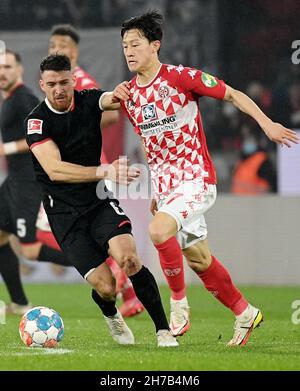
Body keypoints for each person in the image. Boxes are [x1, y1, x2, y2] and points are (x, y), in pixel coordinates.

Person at [111, 11, 299, 345]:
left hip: (196, 179)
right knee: (199, 260)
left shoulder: (180, 78)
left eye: (135, 44)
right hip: (168, 187)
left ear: (155, 46)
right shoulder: (129, 97)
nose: (129, 51)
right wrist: (157, 187)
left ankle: (179, 304)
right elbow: (149, 141)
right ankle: (245, 312)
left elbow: (233, 94)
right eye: (125, 45)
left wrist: (267, 124)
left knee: (157, 231)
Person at [25, 53, 178, 347]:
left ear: (73, 81)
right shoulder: (36, 121)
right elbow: (55, 170)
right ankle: (111, 314)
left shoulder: (88, 100)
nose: (59, 89)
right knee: (107, 286)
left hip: (98, 200)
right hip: (64, 214)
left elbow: (110, 99)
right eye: (52, 83)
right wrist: (104, 170)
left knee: (130, 258)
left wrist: (125, 91)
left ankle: (163, 330)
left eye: (65, 82)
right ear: (42, 84)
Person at [36, 23, 144, 317]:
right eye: (52, 46)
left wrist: (77, 131)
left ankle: (126, 290)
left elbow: (109, 113)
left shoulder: (78, 80)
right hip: (74, 172)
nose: (56, 50)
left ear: (75, 51)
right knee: (49, 237)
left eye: (62, 46)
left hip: (87, 170)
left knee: (59, 235)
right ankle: (127, 291)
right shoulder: (59, 80)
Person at [0, 49, 72, 315]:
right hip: (14, 181)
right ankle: (19, 303)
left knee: (29, 251)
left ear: (19, 69)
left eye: (8, 66)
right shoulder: (9, 100)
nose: (2, 72)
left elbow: (41, 132)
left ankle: (97, 261)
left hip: (28, 182)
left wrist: (5, 149)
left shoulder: (24, 98)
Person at [231, 130, 277, 194]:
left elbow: (271, 179)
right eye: (246, 141)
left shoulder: (262, 160)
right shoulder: (241, 160)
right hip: (238, 200)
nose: (248, 143)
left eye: (250, 141)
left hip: (256, 200)